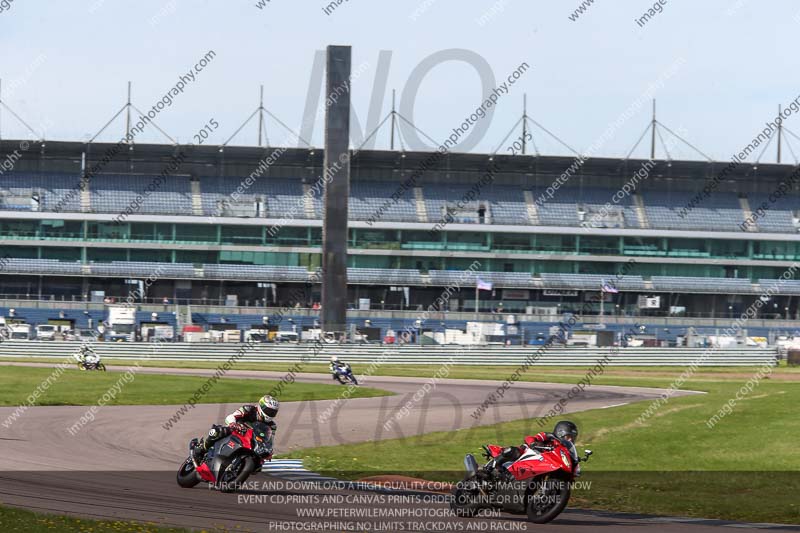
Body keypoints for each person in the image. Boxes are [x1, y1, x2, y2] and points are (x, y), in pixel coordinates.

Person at [192, 395, 279, 462]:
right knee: (217, 431)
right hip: (236, 431)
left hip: (251, 440)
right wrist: (233, 423)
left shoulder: (272, 426)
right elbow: (232, 416)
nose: (270, 414)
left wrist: (269, 452)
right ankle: (202, 448)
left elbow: (269, 441)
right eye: (269, 411)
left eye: (273, 412)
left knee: (259, 462)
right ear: (261, 407)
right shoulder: (248, 409)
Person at [491, 420, 579, 476]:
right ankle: (494, 465)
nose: (571, 440)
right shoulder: (550, 437)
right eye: (569, 437)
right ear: (560, 432)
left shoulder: (565, 450)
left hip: (542, 466)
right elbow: (529, 438)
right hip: (529, 454)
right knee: (515, 451)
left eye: (573, 437)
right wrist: (533, 443)